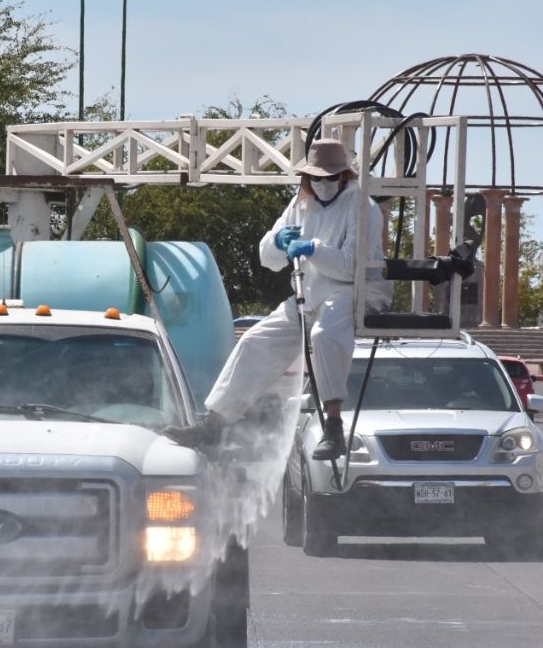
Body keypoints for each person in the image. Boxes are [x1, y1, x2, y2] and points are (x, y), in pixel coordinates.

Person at [165, 138, 391, 461]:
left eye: (329, 178)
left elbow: (350, 268)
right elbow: (266, 257)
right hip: (309, 293)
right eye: (316, 177)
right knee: (255, 341)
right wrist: (277, 242)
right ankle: (215, 425)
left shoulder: (362, 208)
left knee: (324, 336)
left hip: (354, 293)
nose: (322, 184)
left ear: (343, 176)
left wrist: (313, 248)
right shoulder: (301, 203)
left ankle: (334, 427)